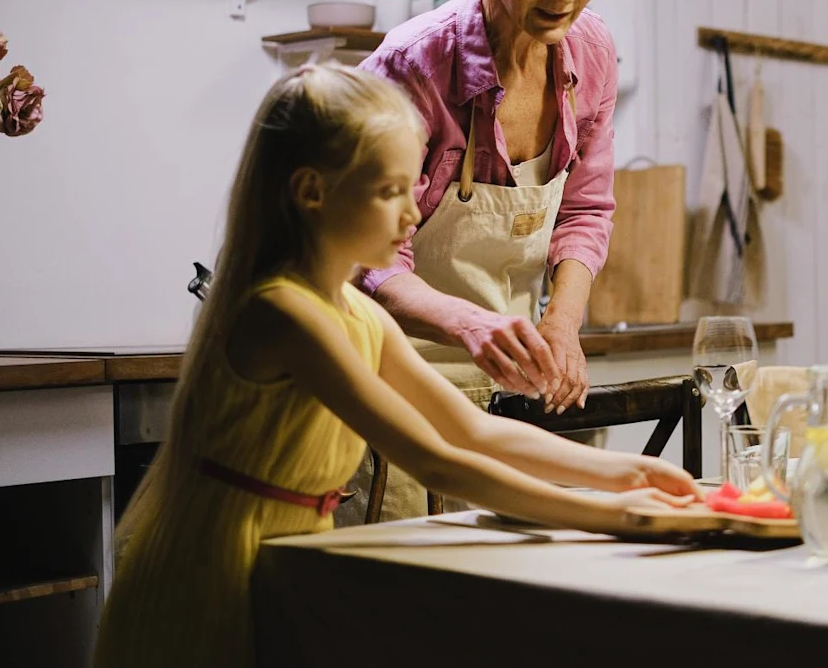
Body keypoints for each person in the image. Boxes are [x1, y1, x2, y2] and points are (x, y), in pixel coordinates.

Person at [92, 65, 699, 668]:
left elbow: (473, 430)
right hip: (215, 572)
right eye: (390, 192)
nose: (413, 214)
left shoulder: (357, 310)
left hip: (290, 563)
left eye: (414, 188)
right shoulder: (284, 312)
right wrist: (616, 516)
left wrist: (629, 473)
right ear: (311, 191)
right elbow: (436, 460)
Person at [353, 0, 632, 521]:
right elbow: (368, 255)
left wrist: (561, 324)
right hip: (390, 382)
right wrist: (473, 324)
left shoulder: (592, 53)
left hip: (504, 392)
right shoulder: (415, 66)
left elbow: (586, 210)